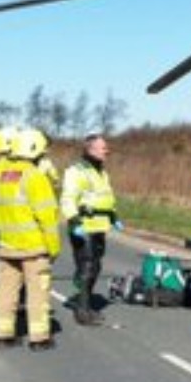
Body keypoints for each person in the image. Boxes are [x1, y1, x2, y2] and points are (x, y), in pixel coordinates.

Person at [0, 127, 61, 351]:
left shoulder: (2, 175)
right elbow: (47, 217)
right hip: (33, 247)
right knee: (37, 292)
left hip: (7, 246)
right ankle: (39, 338)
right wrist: (54, 248)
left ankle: (4, 335)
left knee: (6, 292)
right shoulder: (35, 176)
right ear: (34, 150)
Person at [60, 133, 120, 326]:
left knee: (96, 266)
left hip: (99, 227)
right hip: (84, 226)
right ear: (90, 149)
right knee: (87, 267)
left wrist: (113, 216)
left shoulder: (101, 172)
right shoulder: (77, 171)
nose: (107, 151)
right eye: (103, 148)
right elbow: (68, 198)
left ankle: (85, 302)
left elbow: (106, 197)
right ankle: (83, 311)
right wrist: (74, 221)